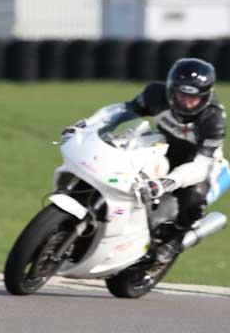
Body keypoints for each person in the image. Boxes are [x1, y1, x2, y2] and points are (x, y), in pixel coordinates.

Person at [64, 58, 226, 263]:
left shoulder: (214, 119)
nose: (186, 102)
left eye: (193, 98)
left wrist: (168, 182)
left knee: (194, 198)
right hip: (163, 148)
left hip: (200, 164)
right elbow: (122, 111)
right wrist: (87, 125)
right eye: (181, 95)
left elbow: (202, 165)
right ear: (170, 89)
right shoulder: (155, 94)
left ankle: (175, 240)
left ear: (206, 96)